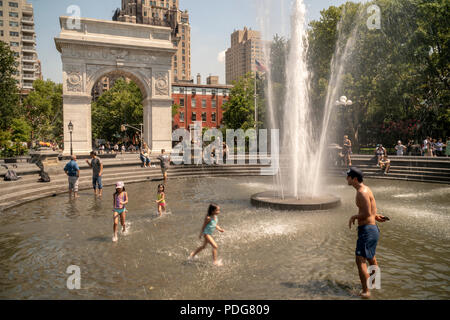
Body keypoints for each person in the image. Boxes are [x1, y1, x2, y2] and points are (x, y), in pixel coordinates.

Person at [346, 167, 388, 299]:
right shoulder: (366, 189)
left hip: (367, 231)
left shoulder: (361, 192)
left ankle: (366, 292)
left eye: (348, 177)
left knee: (360, 260)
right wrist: (376, 216)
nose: (346, 179)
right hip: (372, 229)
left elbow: (366, 213)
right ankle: (374, 283)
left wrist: (354, 217)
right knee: (371, 258)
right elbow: (371, 211)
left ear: (354, 179)